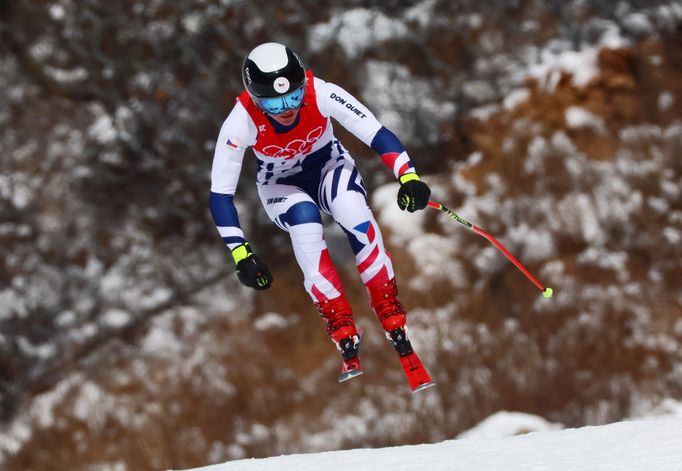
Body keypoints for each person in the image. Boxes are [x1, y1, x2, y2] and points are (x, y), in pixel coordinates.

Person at [209, 42, 433, 389]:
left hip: (330, 165)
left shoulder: (321, 92)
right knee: (305, 219)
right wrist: (241, 254)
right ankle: (340, 322)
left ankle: (388, 307)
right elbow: (221, 194)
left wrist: (409, 177)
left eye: (293, 97)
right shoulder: (240, 121)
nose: (286, 109)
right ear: (255, 99)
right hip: (280, 185)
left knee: (350, 207)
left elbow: (375, 132)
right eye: (273, 103)